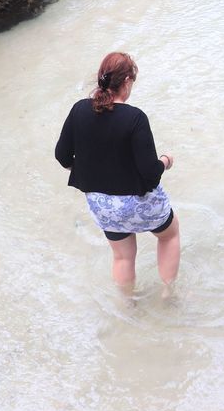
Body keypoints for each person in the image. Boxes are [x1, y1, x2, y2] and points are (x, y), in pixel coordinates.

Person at [55, 52, 181, 294]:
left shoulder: (79, 109)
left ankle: (126, 305)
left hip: (103, 205)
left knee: (122, 257)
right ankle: (167, 294)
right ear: (126, 82)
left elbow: (62, 156)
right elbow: (150, 174)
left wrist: (87, 169)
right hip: (138, 202)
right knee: (169, 235)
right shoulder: (135, 118)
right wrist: (165, 161)